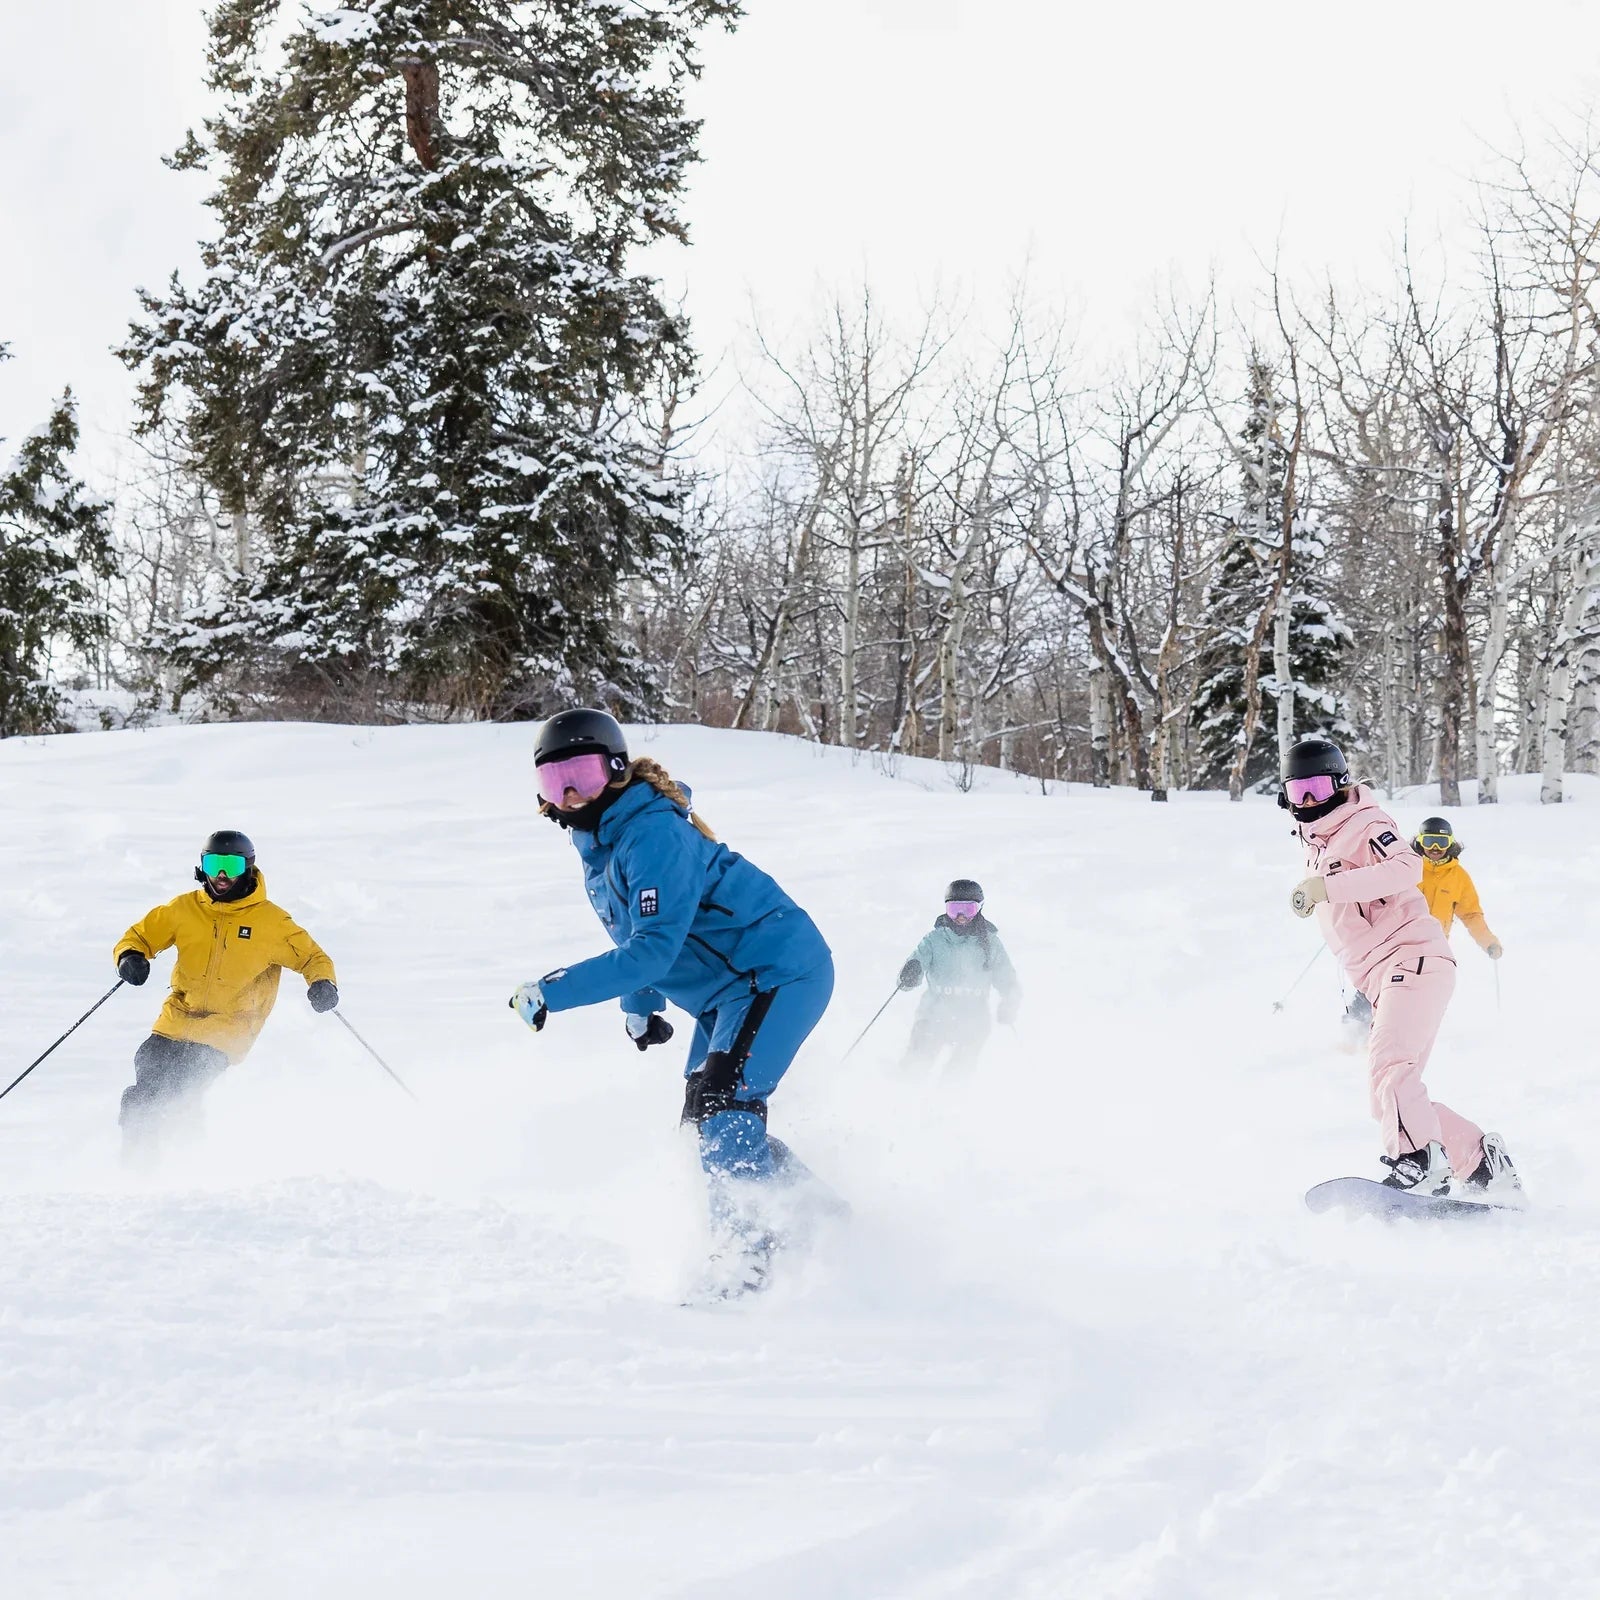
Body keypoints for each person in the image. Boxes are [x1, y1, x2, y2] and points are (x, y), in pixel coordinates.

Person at [509, 710, 836, 1295]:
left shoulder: (651, 834)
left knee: (726, 1106)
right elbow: (640, 938)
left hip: (777, 972)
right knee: (701, 1123)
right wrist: (639, 1004)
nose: (569, 794)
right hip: (728, 992)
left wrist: (553, 991)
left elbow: (653, 950)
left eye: (580, 773)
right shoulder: (603, 845)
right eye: (554, 781)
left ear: (614, 768)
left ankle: (748, 1261)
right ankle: (818, 1218)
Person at [1281, 737, 1522, 1200]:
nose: (1309, 801)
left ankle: (1418, 1162)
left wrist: (1325, 888)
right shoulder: (1319, 843)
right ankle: (1481, 1161)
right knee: (1387, 1097)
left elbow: (1407, 867)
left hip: (1412, 958)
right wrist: (1319, 890)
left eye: (1318, 787)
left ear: (1340, 785)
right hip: (1386, 975)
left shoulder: (1364, 821)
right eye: (1298, 791)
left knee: (1391, 1068)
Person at [113, 830, 339, 1165]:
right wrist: (130, 957)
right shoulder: (185, 909)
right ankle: (151, 1166)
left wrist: (322, 984)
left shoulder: (271, 922)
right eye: (213, 863)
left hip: (226, 1031)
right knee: (144, 1088)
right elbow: (140, 936)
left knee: (167, 1095)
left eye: (230, 866)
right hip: (175, 1021)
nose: (220, 876)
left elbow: (312, 958)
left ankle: (163, 1167)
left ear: (247, 868)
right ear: (201, 865)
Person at [897, 878, 1020, 1067]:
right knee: (917, 1061)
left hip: (973, 1016)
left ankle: (950, 1093)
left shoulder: (990, 943)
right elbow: (912, 969)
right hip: (935, 1013)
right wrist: (909, 974)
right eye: (954, 910)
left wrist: (1009, 1003)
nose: (961, 916)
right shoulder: (934, 940)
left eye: (968, 909)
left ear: (979, 909)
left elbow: (1008, 980)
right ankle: (906, 1083)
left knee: (959, 1070)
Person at [1412, 816, 1504, 961]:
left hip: (1436, 948)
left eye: (1441, 842)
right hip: (1402, 945)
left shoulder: (1459, 877)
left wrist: (1489, 942)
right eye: (1429, 841)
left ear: (1450, 843)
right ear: (1420, 842)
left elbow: (1471, 915)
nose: (1435, 848)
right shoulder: (1407, 869)